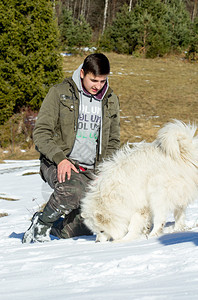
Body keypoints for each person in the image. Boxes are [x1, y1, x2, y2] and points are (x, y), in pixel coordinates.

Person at [22, 53, 120, 243]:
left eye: (102, 81)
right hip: (58, 162)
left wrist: (105, 170)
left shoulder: (111, 100)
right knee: (73, 190)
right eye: (93, 80)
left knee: (86, 224)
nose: (98, 86)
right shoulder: (59, 93)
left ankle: (59, 229)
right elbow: (41, 133)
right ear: (82, 73)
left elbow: (114, 140)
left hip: (93, 169)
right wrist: (60, 159)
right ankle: (40, 226)